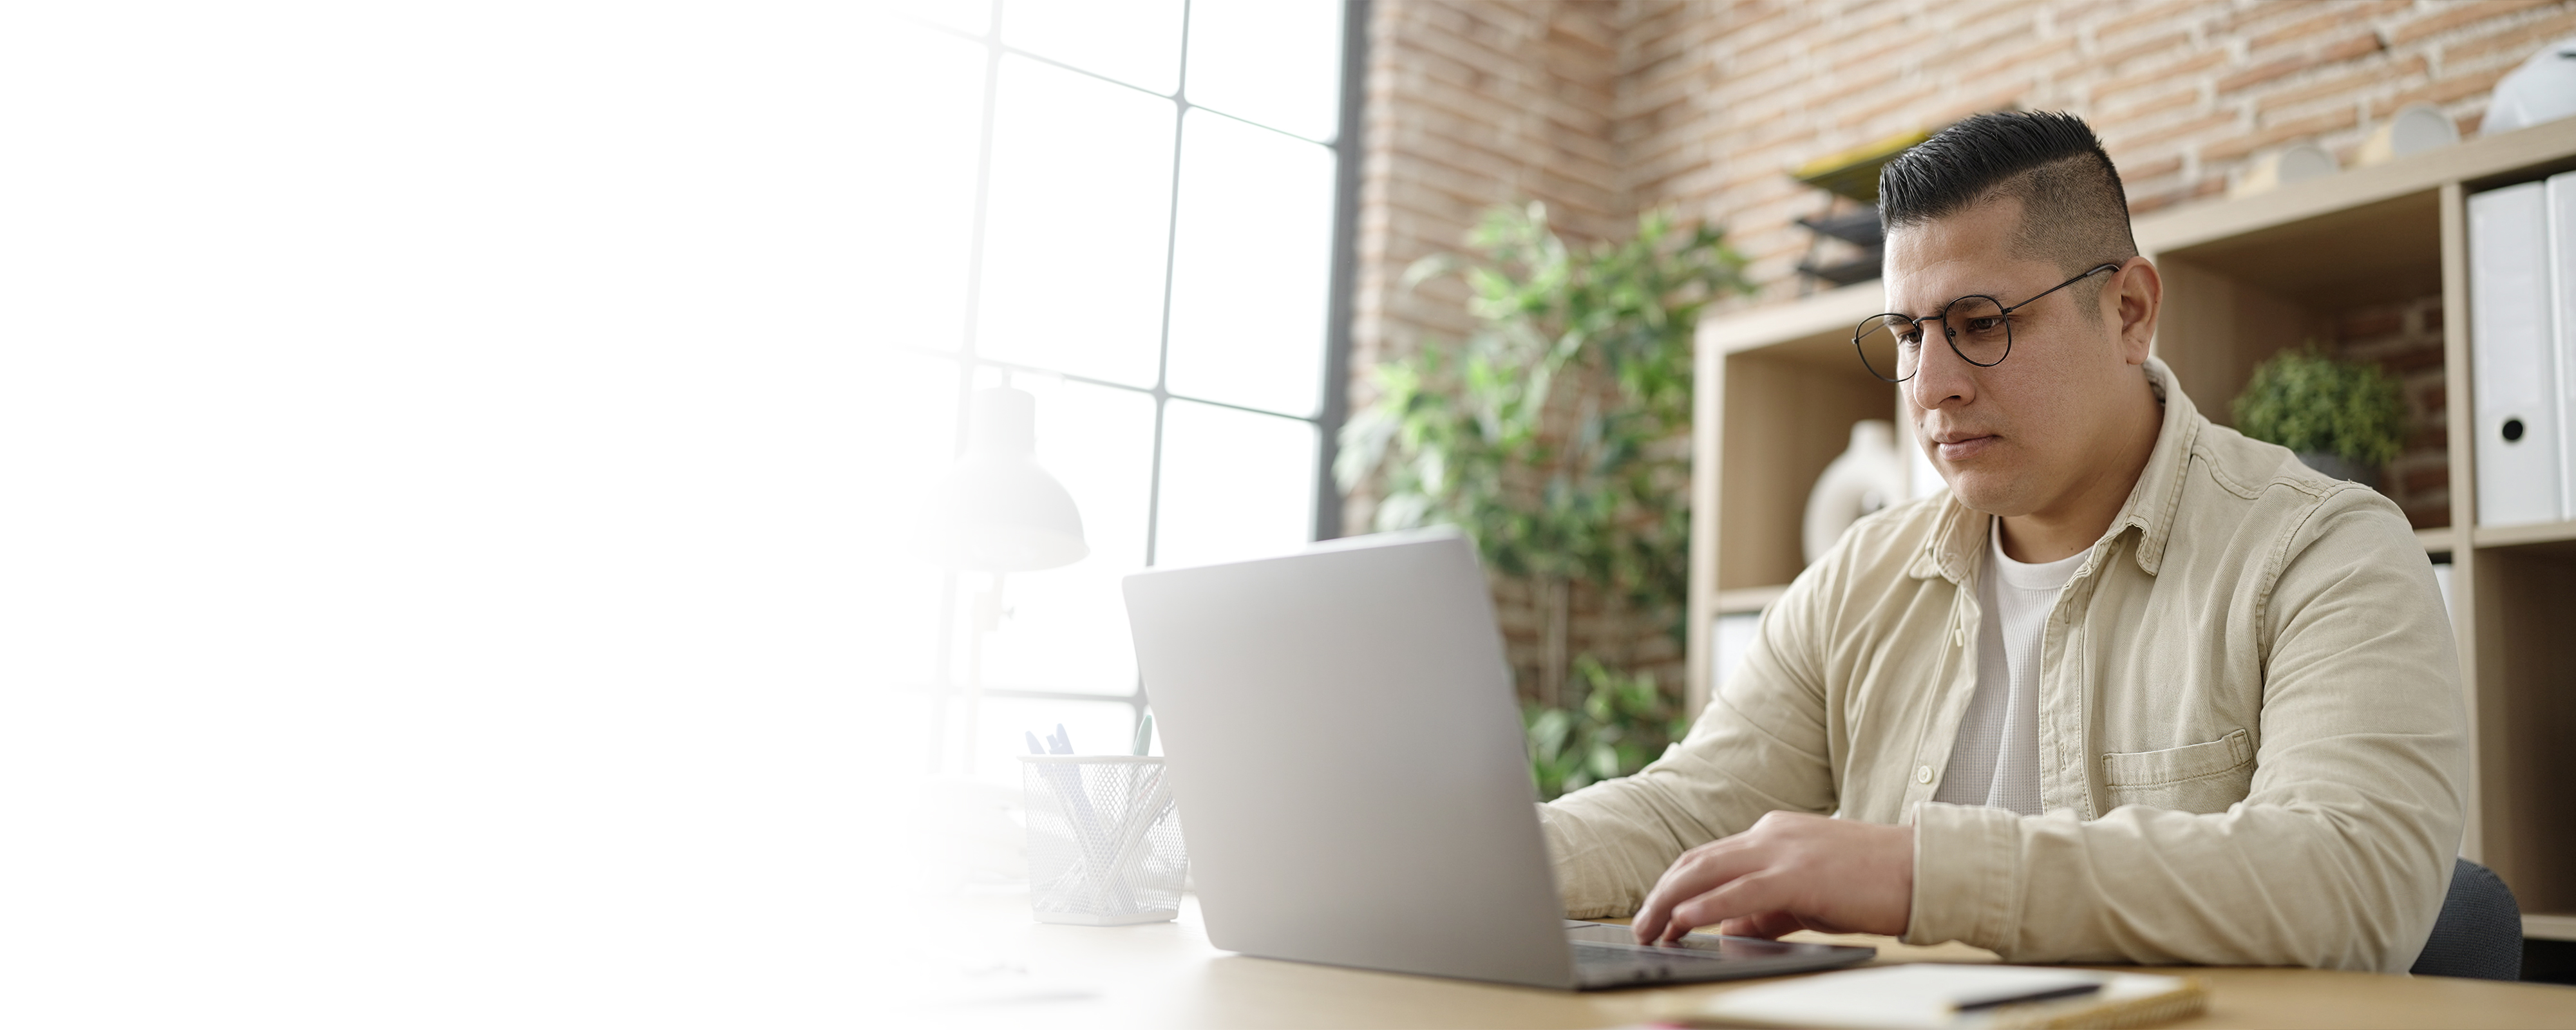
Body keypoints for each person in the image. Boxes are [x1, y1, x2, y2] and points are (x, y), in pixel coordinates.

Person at [1539, 111, 2466, 973]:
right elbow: (1684, 812)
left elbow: (2352, 875)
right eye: (1908, 333)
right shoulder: (1859, 576)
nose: (1930, 384)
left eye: (1979, 324)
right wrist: (1472, 854)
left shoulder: (2325, 551)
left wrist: (1914, 874)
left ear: (2130, 312)